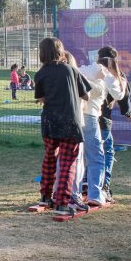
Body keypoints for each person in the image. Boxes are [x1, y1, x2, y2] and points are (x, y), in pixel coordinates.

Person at [34, 38, 89, 216]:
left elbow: (41, 98)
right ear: (61, 51)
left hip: (50, 120)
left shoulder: (40, 73)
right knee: (67, 162)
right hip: (69, 121)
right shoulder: (71, 70)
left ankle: (45, 195)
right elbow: (85, 95)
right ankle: (62, 203)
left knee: (49, 159)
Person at [77, 49, 126, 207]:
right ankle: (96, 194)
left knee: (77, 157)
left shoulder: (84, 69)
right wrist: (123, 84)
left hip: (76, 116)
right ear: (111, 64)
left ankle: (75, 193)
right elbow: (119, 95)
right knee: (97, 156)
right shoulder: (107, 74)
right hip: (91, 117)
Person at [97, 46, 131, 203]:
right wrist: (127, 111)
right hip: (102, 120)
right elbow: (123, 95)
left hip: (84, 119)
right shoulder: (116, 76)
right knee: (107, 152)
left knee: (88, 154)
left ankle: (86, 183)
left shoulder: (90, 71)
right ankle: (104, 186)